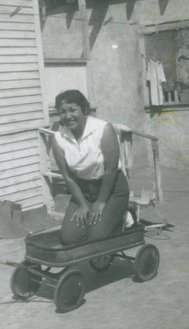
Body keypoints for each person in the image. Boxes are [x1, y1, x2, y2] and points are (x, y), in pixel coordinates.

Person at [51, 90, 130, 245]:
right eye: (62, 112)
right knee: (69, 238)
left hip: (112, 189)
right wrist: (81, 204)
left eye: (72, 110)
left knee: (95, 237)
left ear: (84, 110)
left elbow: (111, 169)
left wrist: (100, 202)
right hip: (84, 192)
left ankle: (123, 216)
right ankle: (106, 218)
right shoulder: (58, 138)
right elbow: (68, 176)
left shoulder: (103, 129)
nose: (67, 116)